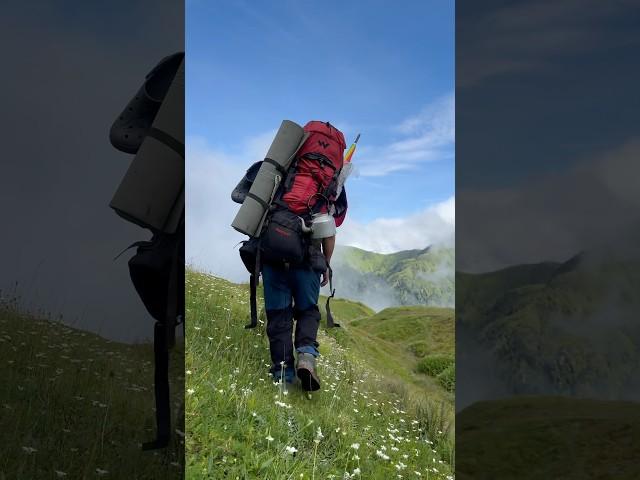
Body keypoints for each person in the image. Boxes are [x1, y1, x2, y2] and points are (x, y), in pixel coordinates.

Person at [263, 202, 346, 391]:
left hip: (273, 255)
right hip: (307, 260)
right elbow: (330, 228)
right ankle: (306, 357)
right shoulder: (329, 181)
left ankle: (284, 377)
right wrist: (326, 263)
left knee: (278, 316)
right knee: (307, 311)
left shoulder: (280, 174)